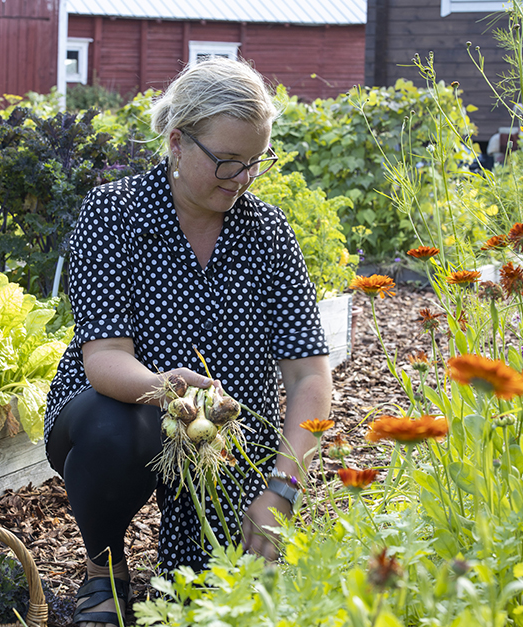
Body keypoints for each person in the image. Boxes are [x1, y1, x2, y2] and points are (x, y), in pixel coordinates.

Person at [44, 57, 333, 627]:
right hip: (122, 412)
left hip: (225, 441)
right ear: (177, 142)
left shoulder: (269, 234)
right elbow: (104, 358)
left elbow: (309, 378)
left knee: (216, 593)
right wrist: (162, 387)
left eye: (255, 162)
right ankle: (104, 564)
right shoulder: (115, 214)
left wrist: (281, 490)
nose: (242, 178)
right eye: (226, 161)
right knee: (117, 426)